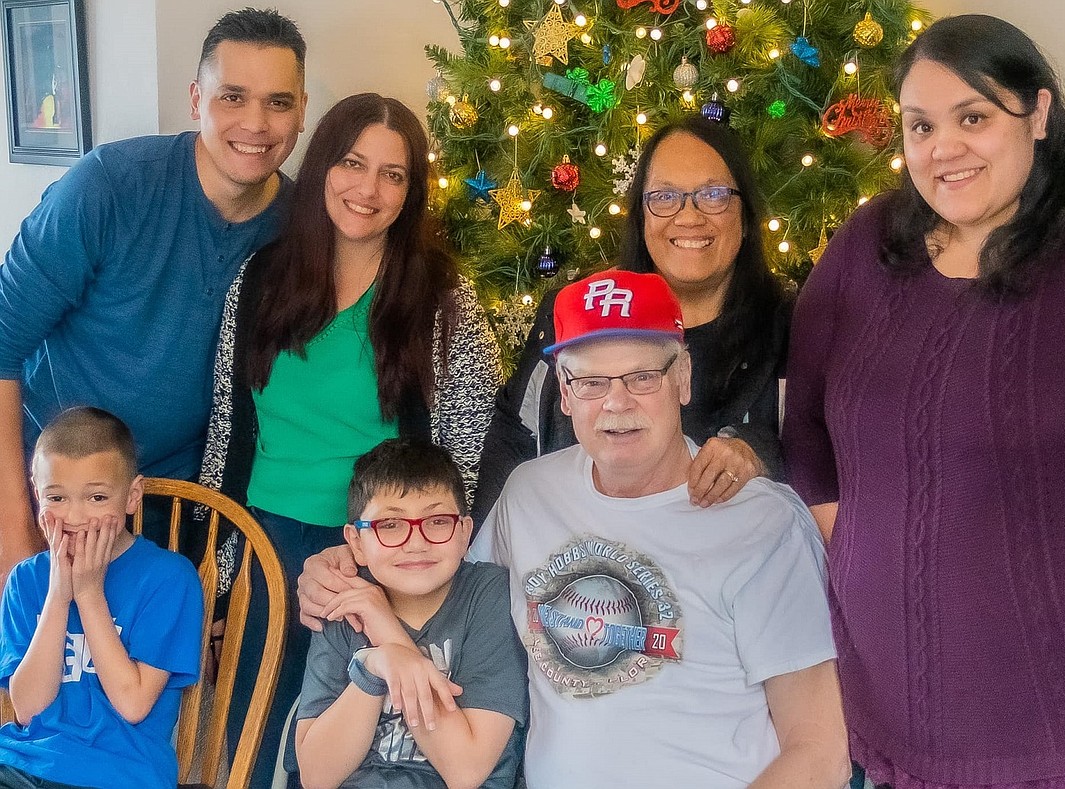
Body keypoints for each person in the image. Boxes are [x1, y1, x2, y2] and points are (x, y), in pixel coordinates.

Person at [782, 15, 1065, 789]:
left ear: (1041, 114)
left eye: (974, 117)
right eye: (920, 126)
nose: (941, 148)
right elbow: (806, 422)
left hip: (1058, 703)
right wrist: (854, 548)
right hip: (889, 690)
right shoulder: (866, 242)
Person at [198, 92, 501, 785]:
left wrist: (395, 552)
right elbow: (227, 429)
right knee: (251, 742)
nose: (368, 188)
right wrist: (215, 580)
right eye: (352, 163)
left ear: (411, 191)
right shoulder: (261, 279)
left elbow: (461, 446)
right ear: (322, 168)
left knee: (349, 751)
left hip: (377, 550)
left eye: (392, 174)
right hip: (264, 547)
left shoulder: (440, 294)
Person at [470, 270, 849, 788]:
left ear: (682, 378)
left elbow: (821, 754)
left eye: (642, 377)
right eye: (591, 382)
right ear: (563, 392)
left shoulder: (765, 524)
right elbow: (449, 606)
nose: (617, 403)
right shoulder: (528, 494)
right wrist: (346, 577)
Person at [0, 7, 308, 580]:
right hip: (52, 495)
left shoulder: (299, 229)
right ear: (196, 99)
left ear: (301, 110)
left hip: (173, 511)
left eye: (278, 102)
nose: (256, 124)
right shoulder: (109, 186)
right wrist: (13, 528)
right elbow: (1, 338)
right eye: (233, 97)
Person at [472, 115, 790, 524]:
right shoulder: (575, 315)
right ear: (641, 218)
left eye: (713, 195)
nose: (689, 217)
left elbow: (835, 458)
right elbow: (514, 443)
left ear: (745, 217)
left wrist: (758, 450)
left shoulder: (791, 330)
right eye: (664, 197)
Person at [296, 438, 526, 789]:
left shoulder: (489, 596)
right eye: (390, 525)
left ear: (464, 533)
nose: (415, 542)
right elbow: (316, 775)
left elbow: (465, 770)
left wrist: (388, 633)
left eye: (437, 521)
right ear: (355, 543)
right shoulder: (343, 599)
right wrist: (375, 668)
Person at [0, 407, 203, 789]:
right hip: (24, 763)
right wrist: (60, 595)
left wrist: (90, 593)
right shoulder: (26, 581)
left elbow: (133, 704)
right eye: (56, 498)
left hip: (121, 772)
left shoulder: (169, 578)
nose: (75, 516)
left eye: (96, 497)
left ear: (132, 496)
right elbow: (27, 709)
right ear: (35, 492)